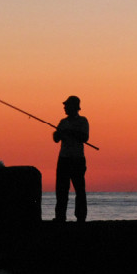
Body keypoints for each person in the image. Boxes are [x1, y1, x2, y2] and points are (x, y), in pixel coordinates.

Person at [53, 95, 89, 223]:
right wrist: (58, 132)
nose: (65, 108)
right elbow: (56, 139)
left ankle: (81, 217)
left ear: (74, 107)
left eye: (67, 106)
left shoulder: (83, 121)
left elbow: (84, 137)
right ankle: (60, 217)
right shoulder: (62, 122)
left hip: (77, 159)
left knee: (79, 189)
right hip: (63, 159)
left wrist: (70, 131)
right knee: (61, 190)